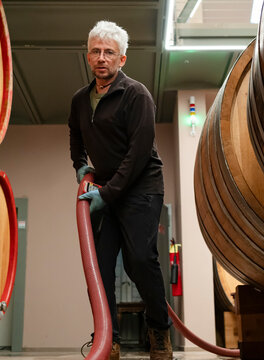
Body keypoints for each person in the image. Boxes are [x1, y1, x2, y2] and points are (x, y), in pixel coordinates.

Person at [69, 20, 172, 360]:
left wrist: (108, 193)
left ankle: (159, 330)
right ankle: (107, 339)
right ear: (87, 57)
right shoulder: (81, 101)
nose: (102, 58)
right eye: (96, 51)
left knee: (139, 259)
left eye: (109, 53)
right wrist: (81, 165)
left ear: (122, 59)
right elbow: (75, 135)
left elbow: (139, 154)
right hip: (104, 189)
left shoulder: (137, 95)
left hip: (141, 186)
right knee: (97, 266)